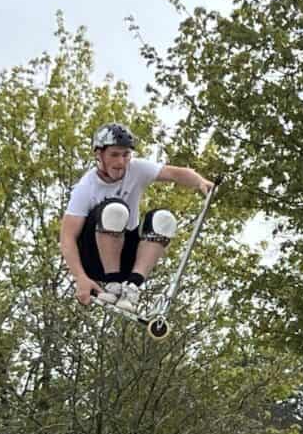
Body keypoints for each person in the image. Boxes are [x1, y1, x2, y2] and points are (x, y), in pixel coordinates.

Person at [59, 122, 213, 312]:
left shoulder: (137, 168)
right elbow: (67, 238)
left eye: (125, 155)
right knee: (116, 209)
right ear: (99, 155)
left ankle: (131, 287)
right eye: (114, 155)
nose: (121, 162)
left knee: (163, 219)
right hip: (94, 259)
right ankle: (113, 284)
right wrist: (80, 278)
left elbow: (175, 173)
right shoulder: (86, 187)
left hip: (126, 255)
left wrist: (201, 182)